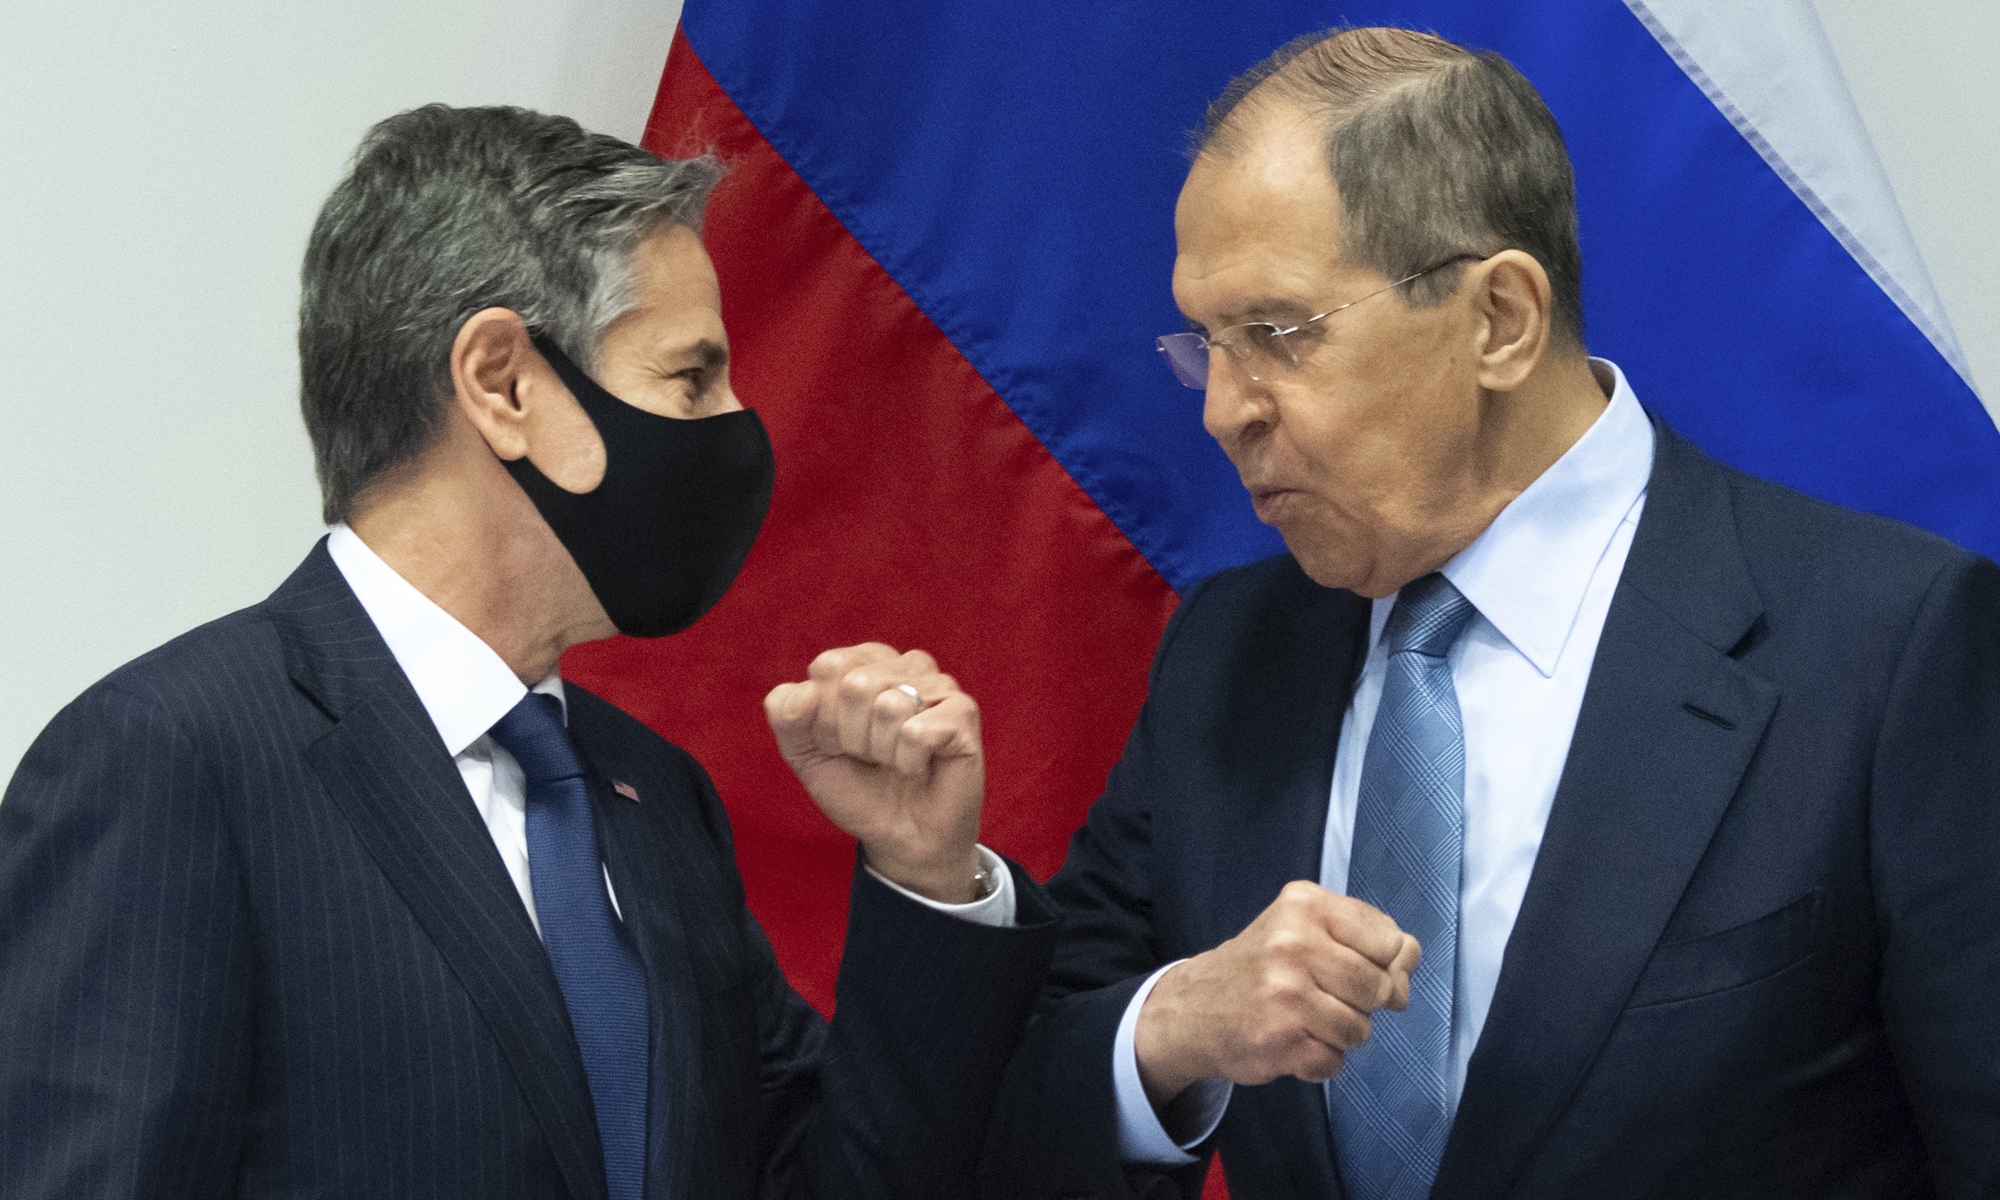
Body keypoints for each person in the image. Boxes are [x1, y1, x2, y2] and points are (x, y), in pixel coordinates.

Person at [980, 26, 2000, 1200]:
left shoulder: (1893, 649)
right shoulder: (1228, 654)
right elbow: (1017, 1106)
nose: (1221, 410)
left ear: (1499, 320)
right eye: (1202, 345)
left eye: (1275, 336)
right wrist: (1173, 1025)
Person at [0, 105, 1057, 1200]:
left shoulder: (652, 795)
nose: (737, 422)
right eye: (690, 378)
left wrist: (924, 875)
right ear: (503, 383)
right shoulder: (172, 761)